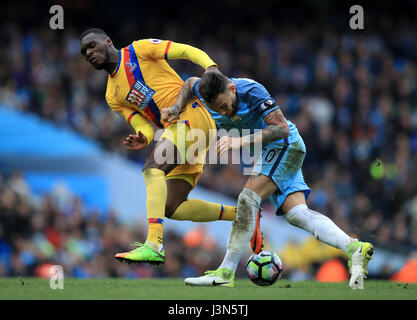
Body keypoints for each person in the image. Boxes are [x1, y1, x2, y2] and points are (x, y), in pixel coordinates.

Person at [161, 69, 374, 289]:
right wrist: (176, 108)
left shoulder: (251, 90)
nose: (224, 113)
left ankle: (225, 272)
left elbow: (281, 129)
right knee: (297, 214)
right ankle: (354, 247)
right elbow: (189, 83)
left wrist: (239, 141)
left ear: (231, 88)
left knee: (247, 198)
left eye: (225, 106)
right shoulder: (203, 90)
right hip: (275, 151)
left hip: (285, 144)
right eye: (218, 109)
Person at [79, 29, 263, 266]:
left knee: (152, 168)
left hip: (190, 115)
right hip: (178, 131)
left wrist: (210, 67)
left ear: (107, 42)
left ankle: (154, 245)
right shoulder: (111, 95)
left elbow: (185, 50)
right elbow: (142, 125)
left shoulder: (138, 50)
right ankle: (242, 215)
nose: (89, 53)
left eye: (92, 46)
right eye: (85, 52)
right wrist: (143, 138)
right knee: (172, 206)